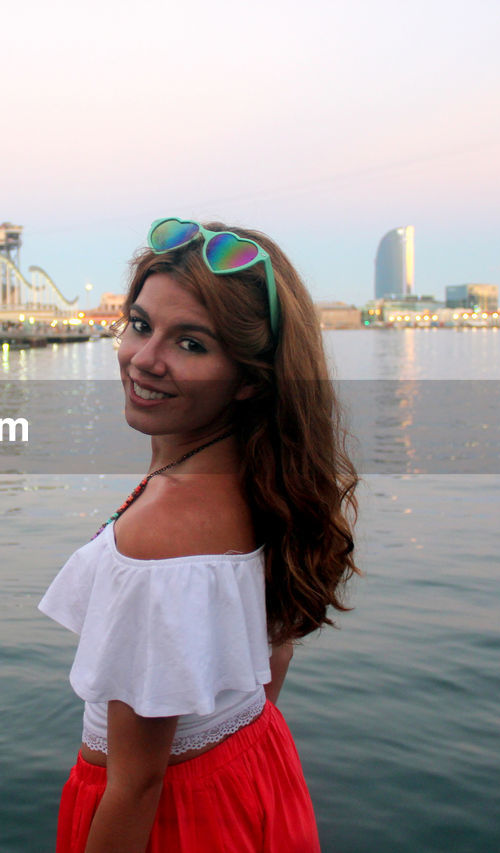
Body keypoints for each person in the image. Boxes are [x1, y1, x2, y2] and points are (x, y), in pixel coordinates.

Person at [39, 217, 360, 852]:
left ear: (248, 378)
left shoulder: (159, 538)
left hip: (173, 822)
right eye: (139, 325)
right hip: (256, 770)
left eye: (191, 344)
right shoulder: (271, 483)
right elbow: (276, 659)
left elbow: (136, 783)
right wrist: (226, 762)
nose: (144, 359)